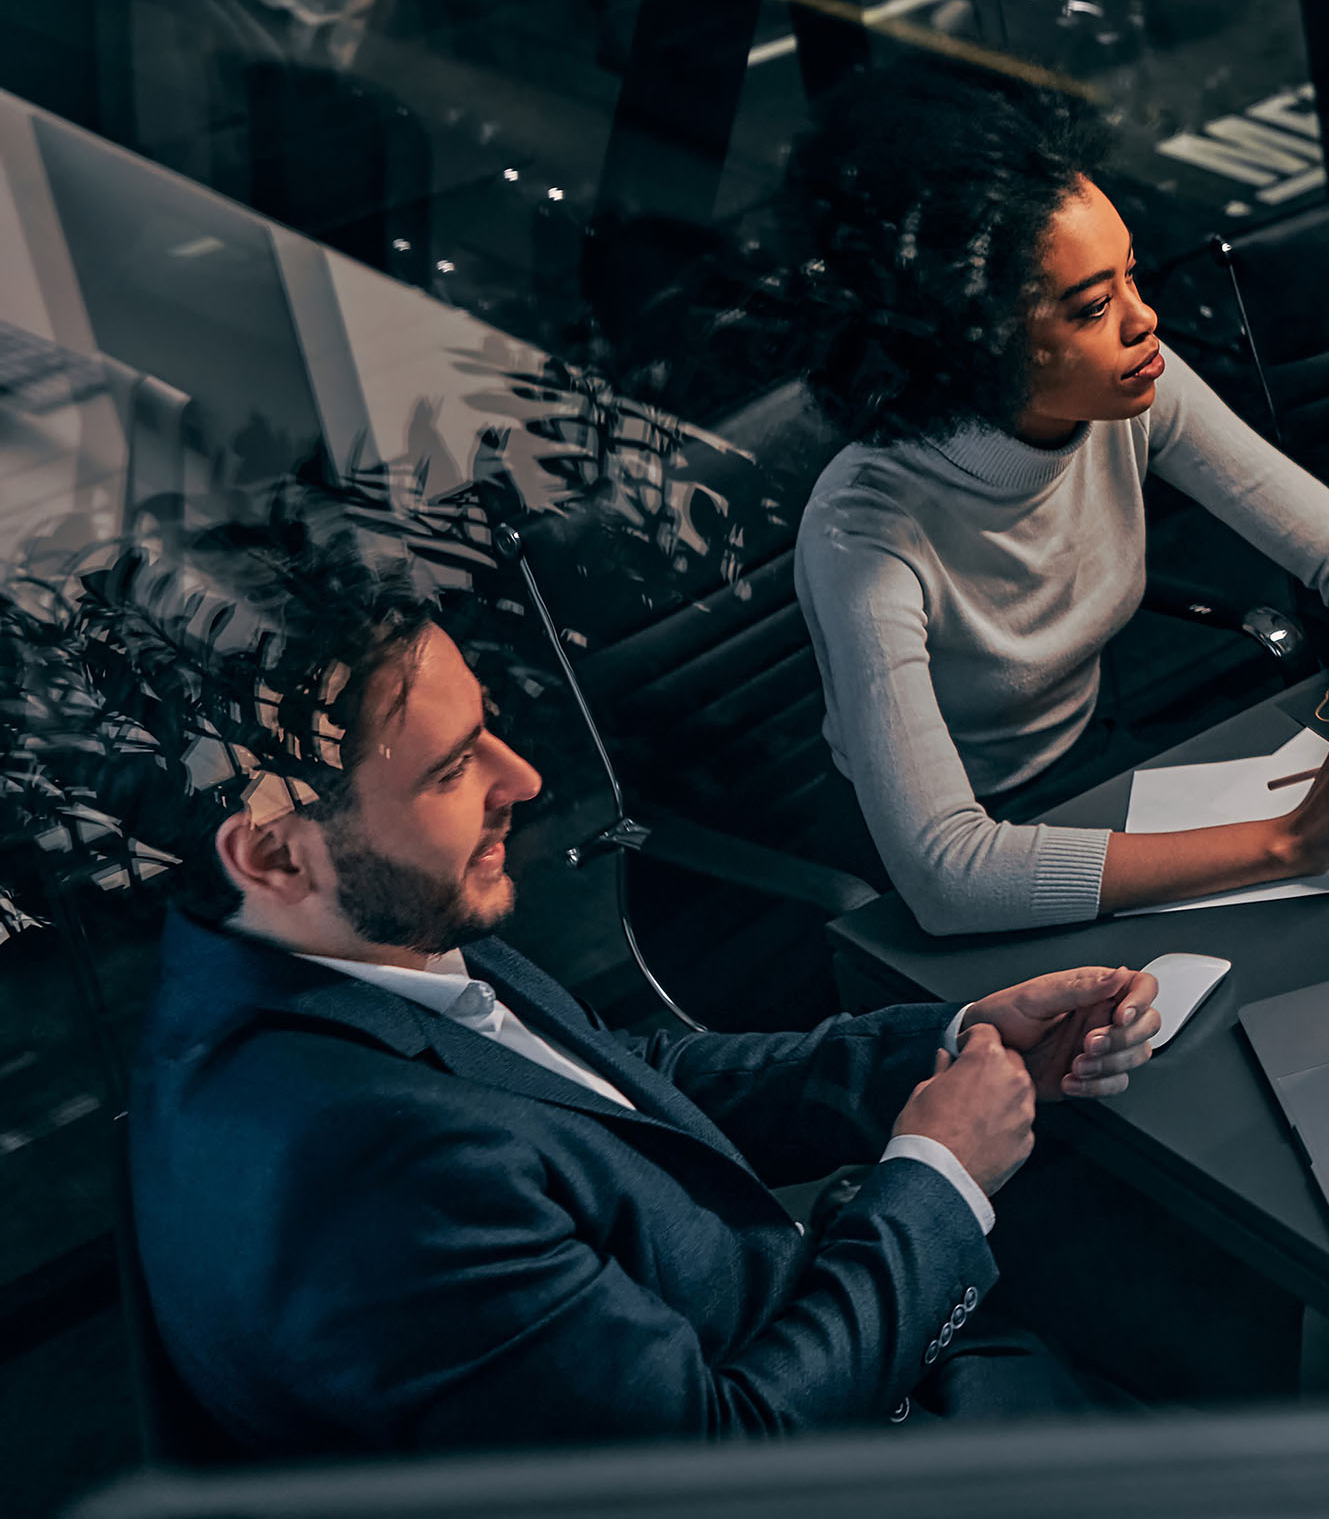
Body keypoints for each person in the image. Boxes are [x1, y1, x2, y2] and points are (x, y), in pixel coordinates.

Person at [127, 528, 1160, 1451]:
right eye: (450, 771)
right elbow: (718, 1454)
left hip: (846, 1346)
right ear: (273, 853)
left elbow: (623, 1083)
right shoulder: (371, 1184)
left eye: (487, 730)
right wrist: (940, 1175)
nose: (523, 778)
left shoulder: (353, 929)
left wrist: (949, 1042)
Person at [788, 70, 1329, 936]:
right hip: (932, 865)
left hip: (1099, 769)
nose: (1146, 323)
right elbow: (948, 875)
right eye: (1094, 306)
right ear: (979, 337)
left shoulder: (1132, 391)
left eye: (1132, 278)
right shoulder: (865, 532)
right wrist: (1292, 842)